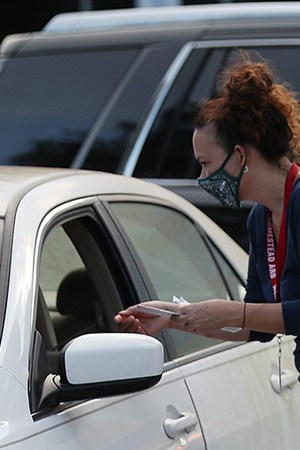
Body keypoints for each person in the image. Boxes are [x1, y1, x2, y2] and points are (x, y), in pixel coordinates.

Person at [114, 50, 300, 372]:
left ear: (240, 155)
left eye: (205, 164)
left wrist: (232, 312)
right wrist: (173, 317)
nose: (202, 178)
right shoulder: (260, 218)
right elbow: (257, 324)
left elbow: (248, 316)